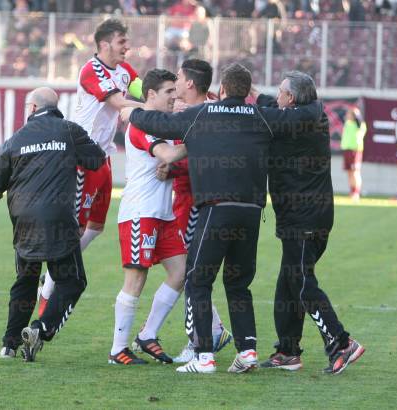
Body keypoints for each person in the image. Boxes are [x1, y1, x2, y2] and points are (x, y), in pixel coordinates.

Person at [123, 63, 316, 373]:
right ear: (246, 90)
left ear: (222, 90)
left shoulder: (202, 115)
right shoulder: (263, 116)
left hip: (216, 209)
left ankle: (203, 356)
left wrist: (132, 113)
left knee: (198, 280)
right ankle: (248, 351)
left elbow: (160, 123)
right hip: (252, 212)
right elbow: (303, 117)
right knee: (239, 284)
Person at [0, 87, 105, 362]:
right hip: (58, 220)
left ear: (32, 108)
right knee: (72, 281)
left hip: (24, 221)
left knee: (26, 281)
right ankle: (40, 328)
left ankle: (8, 344)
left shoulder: (15, 139)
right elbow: (96, 159)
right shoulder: (69, 131)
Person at [253, 71, 365, 375]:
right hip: (302, 216)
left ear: (290, 99)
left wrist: (232, 104)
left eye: (280, 92)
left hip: (306, 218)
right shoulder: (303, 113)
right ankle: (288, 351)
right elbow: (267, 105)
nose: (276, 96)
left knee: (301, 283)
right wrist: (249, 91)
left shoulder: (297, 121)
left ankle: (342, 343)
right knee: (288, 283)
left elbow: (261, 116)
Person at [37, 18, 143, 314]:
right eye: (122, 42)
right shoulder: (91, 70)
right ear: (105, 44)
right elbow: (120, 102)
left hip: (104, 156)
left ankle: (51, 273)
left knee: (96, 226)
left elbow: (143, 89)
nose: (127, 47)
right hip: (81, 158)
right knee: (77, 227)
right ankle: (48, 292)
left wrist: (166, 97)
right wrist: (157, 108)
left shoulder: (125, 70)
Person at [109, 69, 187, 365]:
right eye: (169, 92)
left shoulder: (161, 123)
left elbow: (170, 163)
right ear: (151, 95)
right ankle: (117, 349)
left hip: (162, 213)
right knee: (136, 279)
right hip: (140, 212)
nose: (174, 97)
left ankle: (147, 334)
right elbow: (167, 154)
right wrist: (206, 140)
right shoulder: (142, 124)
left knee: (180, 272)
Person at [166, 58, 233, 364]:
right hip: (194, 199)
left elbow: (204, 159)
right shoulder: (203, 108)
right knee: (191, 272)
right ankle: (214, 329)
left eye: (179, 78)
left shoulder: (207, 113)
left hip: (196, 201)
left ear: (190, 83)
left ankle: (198, 342)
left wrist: (171, 167)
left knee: (190, 272)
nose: (176, 83)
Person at [340, 107, 367, 201]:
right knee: (349, 172)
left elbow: (360, 121)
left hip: (355, 150)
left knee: (355, 172)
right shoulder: (347, 123)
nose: (347, 116)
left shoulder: (360, 124)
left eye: (350, 114)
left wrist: (357, 114)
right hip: (346, 150)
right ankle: (352, 191)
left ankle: (356, 192)